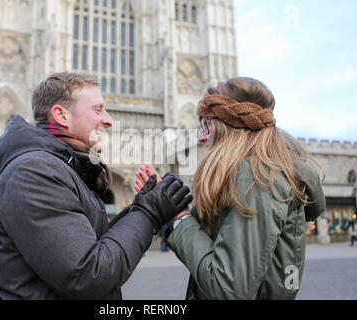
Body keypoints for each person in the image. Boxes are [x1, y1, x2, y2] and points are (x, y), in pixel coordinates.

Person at [0, 72, 193, 300]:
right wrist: (149, 212)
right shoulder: (34, 172)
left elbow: (94, 246)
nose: (109, 120)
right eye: (97, 110)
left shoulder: (60, 167)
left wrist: (140, 207)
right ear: (61, 115)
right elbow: (88, 275)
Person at [135, 77, 326, 300]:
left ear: (231, 128)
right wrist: (170, 216)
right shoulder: (255, 174)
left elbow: (229, 290)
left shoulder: (256, 177)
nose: (201, 136)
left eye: (206, 124)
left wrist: (180, 219)